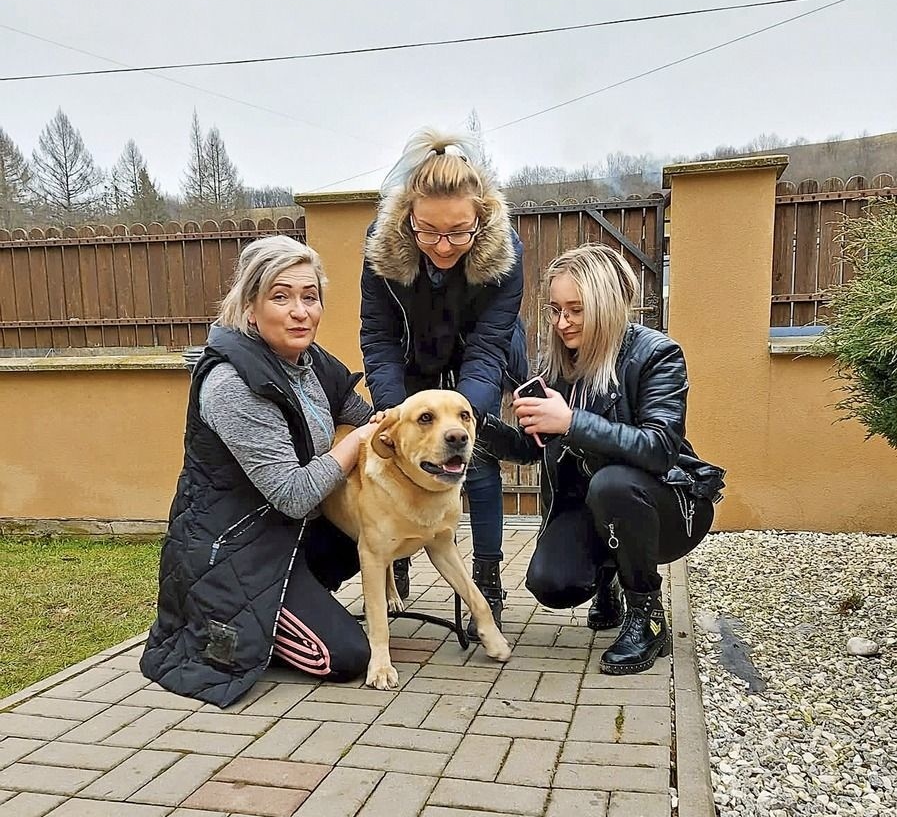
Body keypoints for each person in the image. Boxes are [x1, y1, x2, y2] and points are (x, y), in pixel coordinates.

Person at [140, 235, 379, 709]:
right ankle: (265, 623)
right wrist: (359, 440)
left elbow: (364, 410)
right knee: (346, 655)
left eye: (309, 297)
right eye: (280, 296)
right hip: (234, 550)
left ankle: (296, 602)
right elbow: (293, 494)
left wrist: (418, 417)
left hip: (284, 536)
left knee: (374, 533)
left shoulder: (309, 364)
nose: (300, 311)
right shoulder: (233, 384)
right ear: (250, 308)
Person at [478, 243, 725, 674]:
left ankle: (646, 616)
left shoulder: (656, 355)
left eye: (575, 309)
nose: (561, 322)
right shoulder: (560, 367)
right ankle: (608, 576)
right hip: (595, 507)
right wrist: (476, 424)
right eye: (555, 310)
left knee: (613, 485)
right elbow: (527, 450)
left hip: (667, 506)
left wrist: (571, 421)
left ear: (606, 304)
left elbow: (659, 448)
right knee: (552, 583)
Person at [360, 127, 526, 637]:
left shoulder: (503, 254)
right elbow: (379, 337)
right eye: (429, 232)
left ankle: (487, 578)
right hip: (409, 361)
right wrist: (395, 413)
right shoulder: (383, 250)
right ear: (409, 218)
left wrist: (465, 418)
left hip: (474, 358)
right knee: (408, 452)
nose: (443, 245)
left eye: (459, 232)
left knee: (474, 462)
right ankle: (401, 553)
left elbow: (490, 344)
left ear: (481, 218)